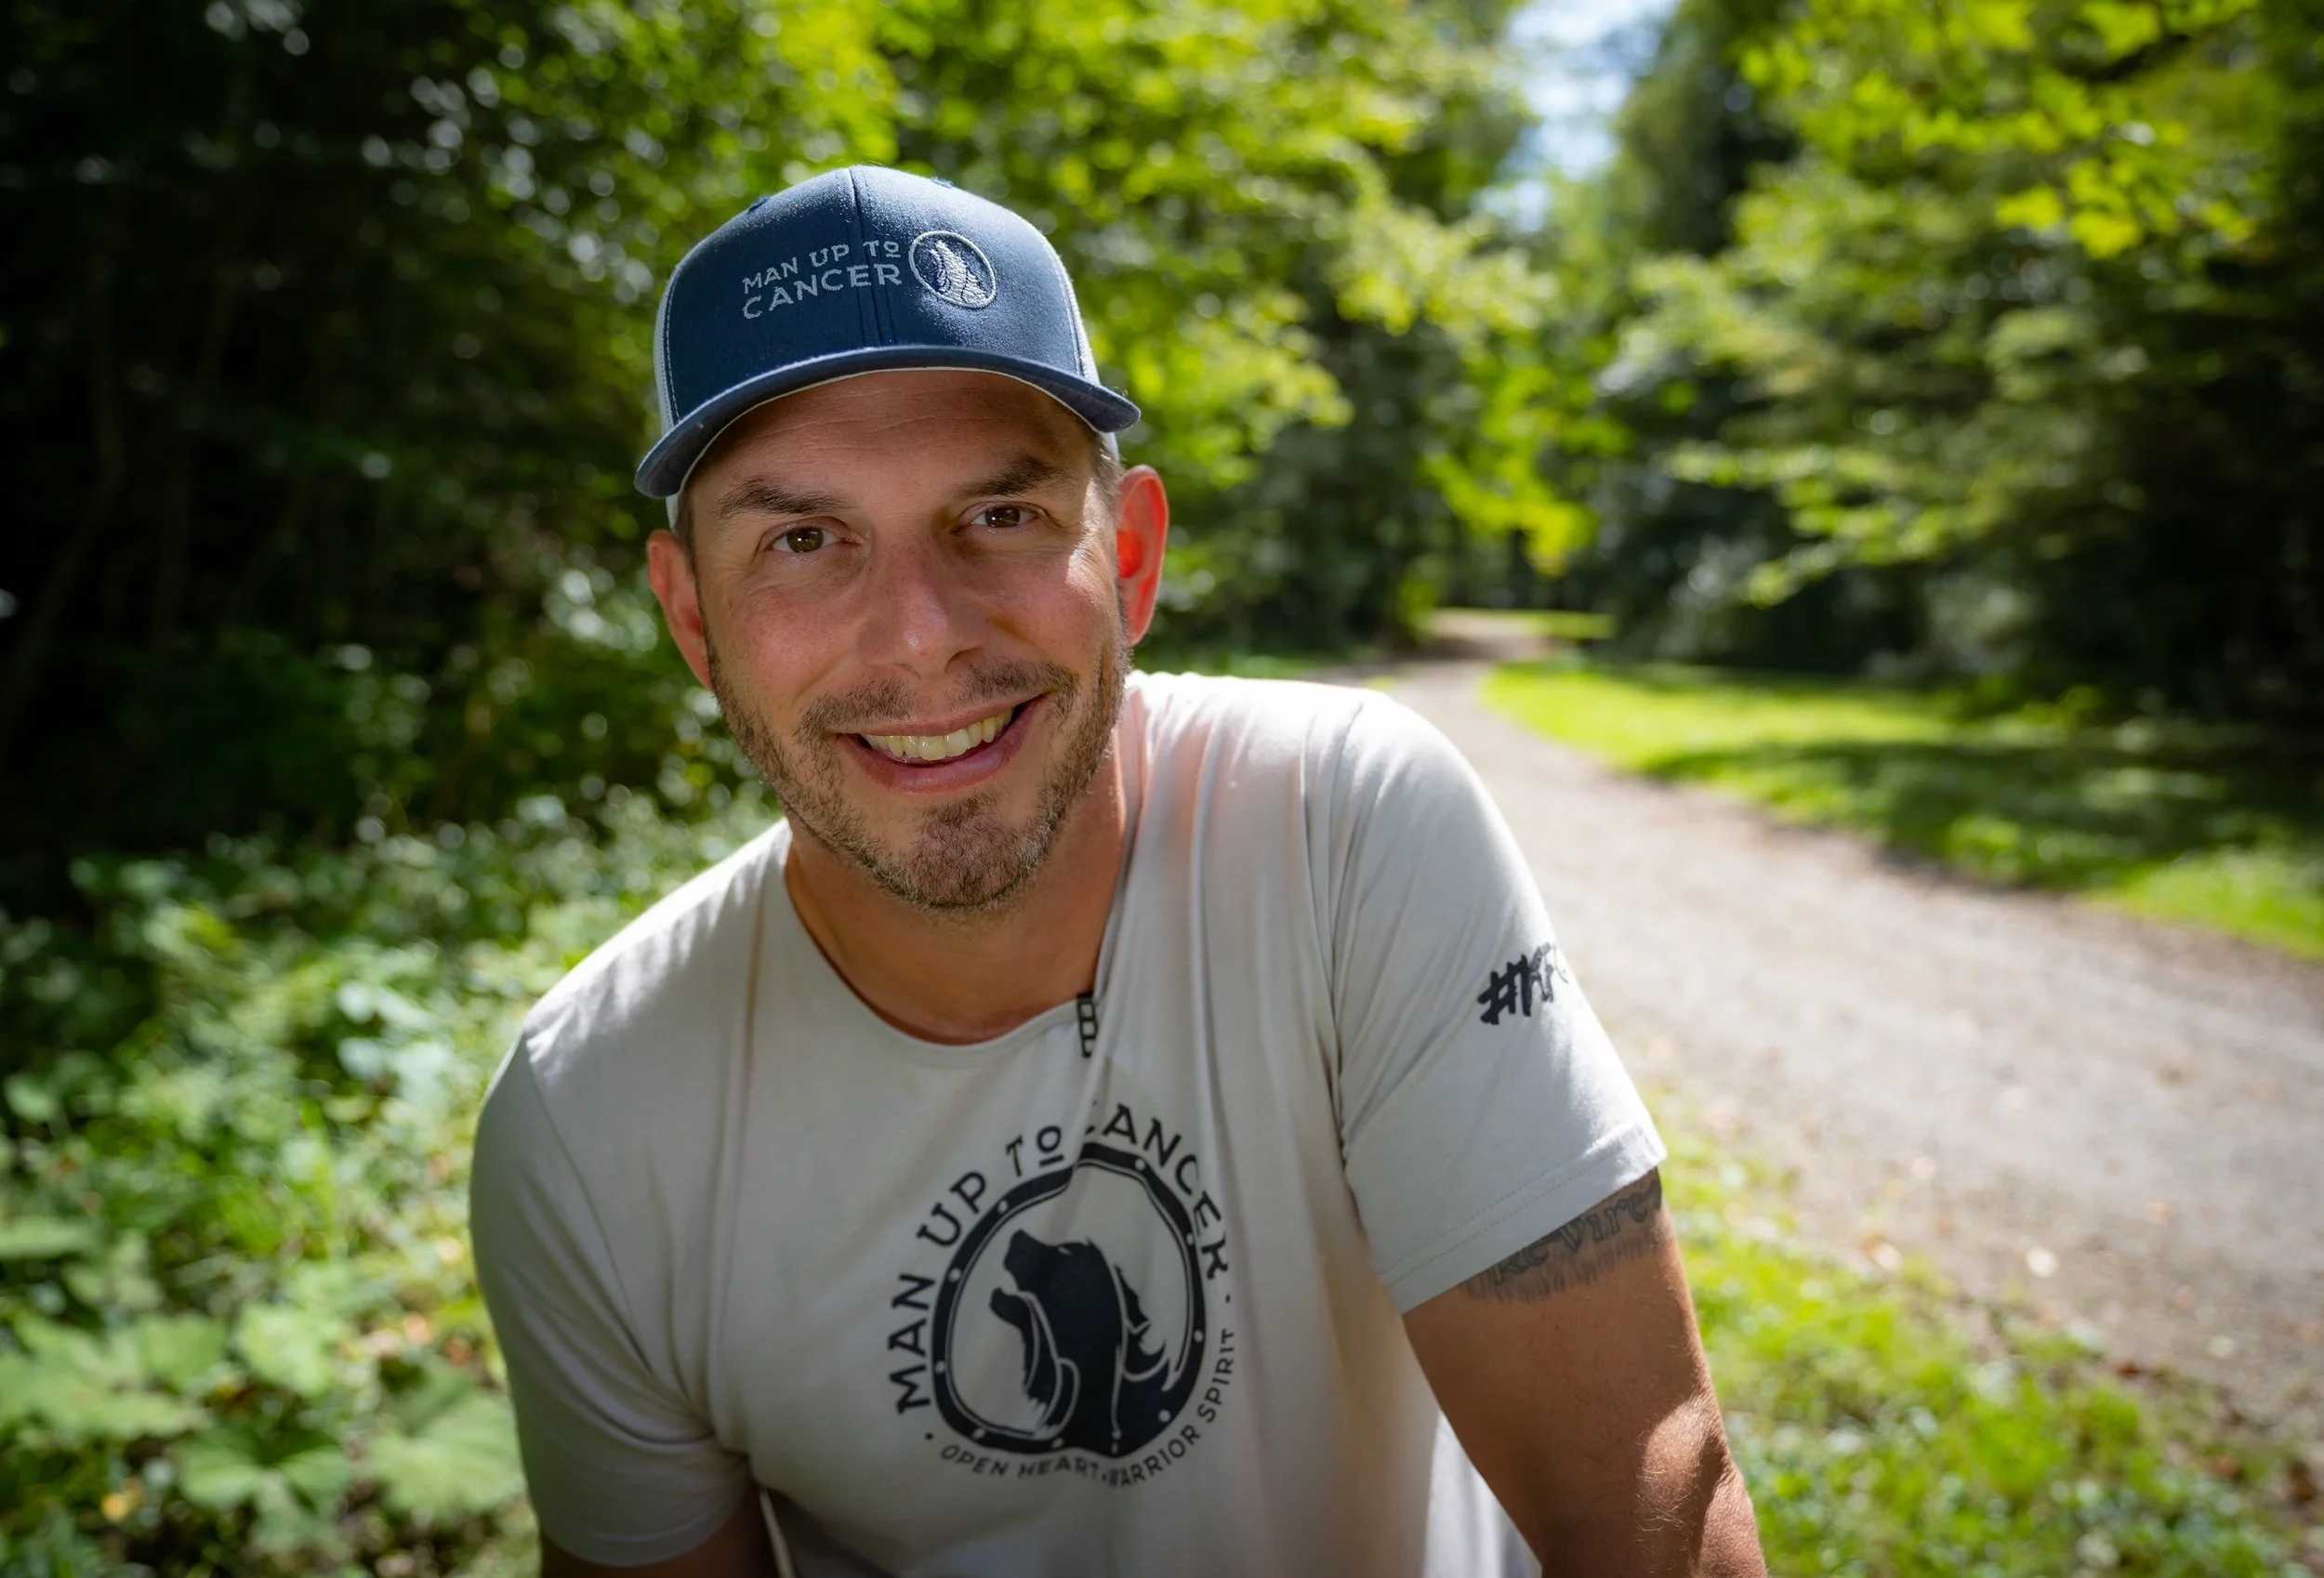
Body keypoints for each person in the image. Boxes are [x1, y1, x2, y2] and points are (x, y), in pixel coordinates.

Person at [469, 164, 1765, 1578]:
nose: (920, 636)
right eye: (803, 540)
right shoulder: (594, 1115)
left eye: (1001, 516)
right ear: (696, 622)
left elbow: (1652, 1492)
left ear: (1132, 556)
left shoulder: (1344, 825)